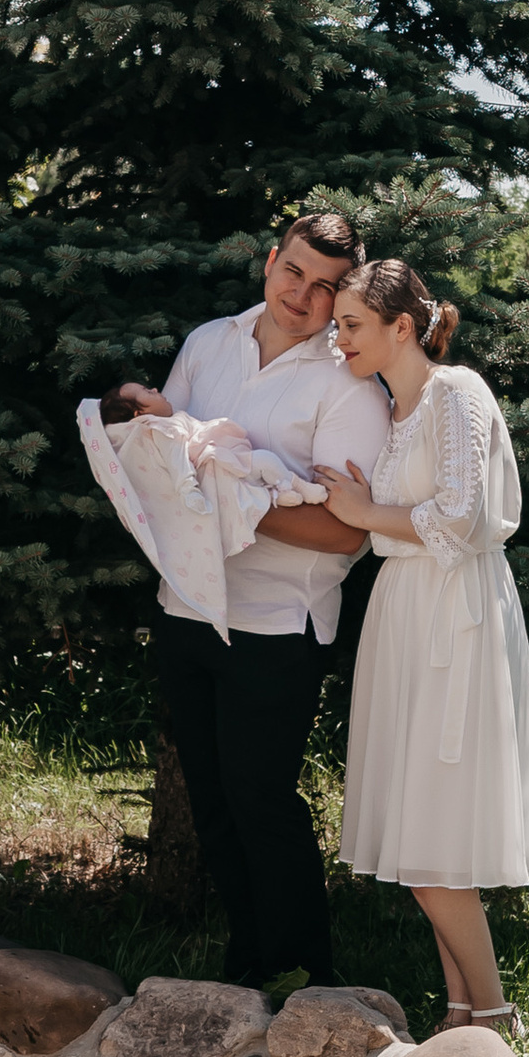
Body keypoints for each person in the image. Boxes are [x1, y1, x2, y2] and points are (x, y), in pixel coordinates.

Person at [125, 210, 387, 990]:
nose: (303, 298)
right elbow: (166, 454)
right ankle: (250, 963)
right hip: (187, 607)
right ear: (270, 261)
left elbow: (346, 537)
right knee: (211, 804)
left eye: (327, 288)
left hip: (278, 624)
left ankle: (310, 971)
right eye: (293, 273)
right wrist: (148, 424)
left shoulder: (350, 388)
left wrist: (232, 497)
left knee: (261, 800)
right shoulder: (209, 342)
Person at [320, 258, 529, 1035]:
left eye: (351, 324)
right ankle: (458, 1012)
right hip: (406, 611)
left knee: (432, 837)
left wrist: (362, 509)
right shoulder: (398, 408)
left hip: (454, 615)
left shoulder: (458, 393)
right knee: (430, 831)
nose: (338, 337)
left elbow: (458, 515)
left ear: (402, 328)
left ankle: (494, 1014)